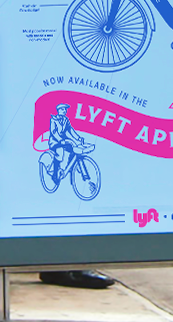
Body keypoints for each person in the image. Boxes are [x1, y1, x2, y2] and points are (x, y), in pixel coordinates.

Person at [34, 105, 115, 290]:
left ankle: (63, 266)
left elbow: (72, 133)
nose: (64, 112)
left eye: (65, 110)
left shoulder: (66, 120)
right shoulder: (54, 120)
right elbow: (57, 135)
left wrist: (80, 140)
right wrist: (68, 141)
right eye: (62, 110)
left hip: (66, 142)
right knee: (61, 155)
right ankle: (62, 268)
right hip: (55, 143)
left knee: (72, 152)